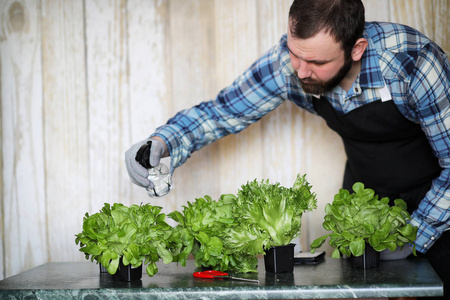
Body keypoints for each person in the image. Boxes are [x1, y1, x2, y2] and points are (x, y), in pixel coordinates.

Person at [125, 0, 449, 297]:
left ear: (357, 49)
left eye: (317, 62)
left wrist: (414, 234)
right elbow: (222, 112)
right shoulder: (289, 62)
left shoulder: (413, 62)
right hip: (364, 198)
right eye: (296, 53)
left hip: (439, 198)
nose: (300, 71)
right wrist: (163, 141)